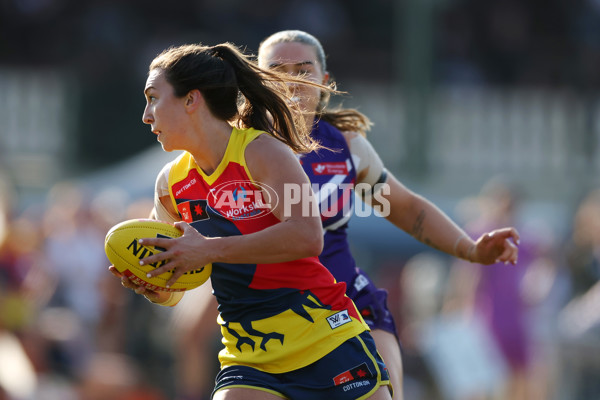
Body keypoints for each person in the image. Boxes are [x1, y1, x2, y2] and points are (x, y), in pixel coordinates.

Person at [109, 43, 393, 400]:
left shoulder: (261, 151)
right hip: (250, 356)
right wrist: (152, 281)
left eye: (153, 98)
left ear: (191, 99)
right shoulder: (171, 183)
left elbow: (307, 236)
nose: (146, 115)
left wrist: (207, 250)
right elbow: (174, 286)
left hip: (323, 339)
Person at [256, 30, 521, 400]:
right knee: (193, 328)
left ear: (324, 82)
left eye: (304, 71)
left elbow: (407, 209)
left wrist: (471, 249)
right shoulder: (231, 147)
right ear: (259, 80)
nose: (291, 82)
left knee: (386, 391)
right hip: (263, 314)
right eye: (277, 70)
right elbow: (177, 206)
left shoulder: (344, 146)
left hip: (344, 301)